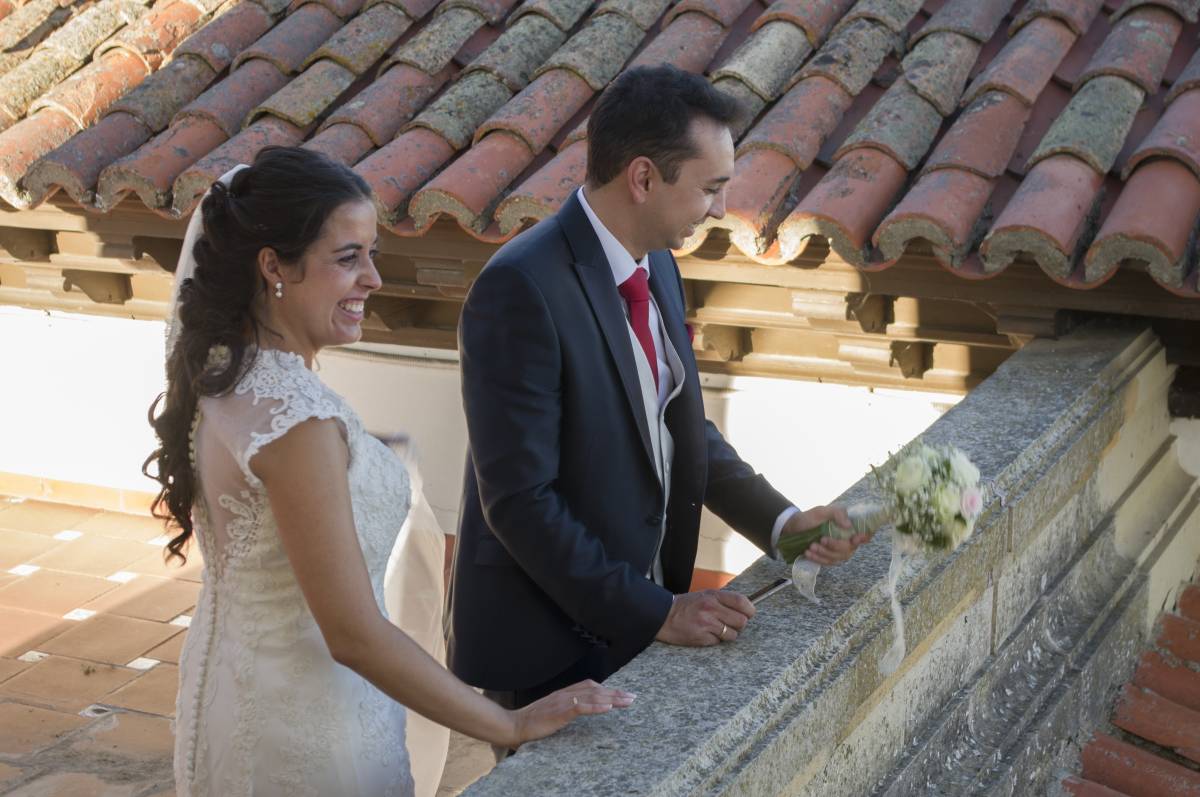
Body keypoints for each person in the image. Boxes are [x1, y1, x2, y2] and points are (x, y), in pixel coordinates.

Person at [144, 147, 633, 797]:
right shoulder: (297, 423)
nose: (373, 278)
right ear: (274, 267)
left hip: (236, 694)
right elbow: (352, 633)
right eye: (348, 257)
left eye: (372, 252)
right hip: (311, 731)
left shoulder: (227, 375)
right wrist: (506, 720)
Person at [448, 65, 871, 712]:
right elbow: (519, 501)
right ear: (643, 177)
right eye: (711, 188)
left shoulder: (661, 264)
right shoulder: (519, 288)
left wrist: (784, 524)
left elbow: (676, 424)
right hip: (545, 645)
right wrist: (658, 612)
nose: (722, 209)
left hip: (631, 622)